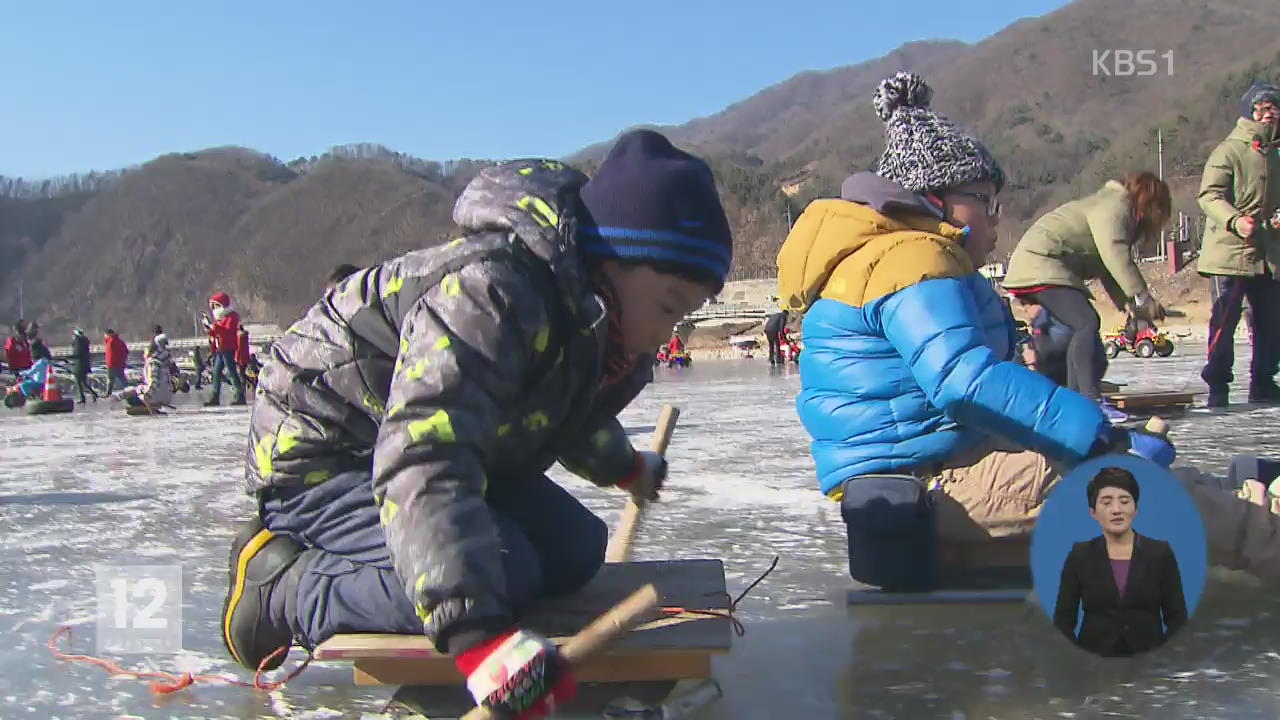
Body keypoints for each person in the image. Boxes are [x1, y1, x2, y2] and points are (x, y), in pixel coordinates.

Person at [220, 130, 730, 717]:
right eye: (668, 306)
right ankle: (282, 589)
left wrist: (625, 465)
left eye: (686, 316)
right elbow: (426, 454)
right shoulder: (492, 292)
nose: (670, 334)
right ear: (609, 266)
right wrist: (482, 643)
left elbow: (563, 413)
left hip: (435, 453)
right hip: (324, 451)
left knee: (575, 550)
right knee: (497, 571)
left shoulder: (594, 324)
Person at [776, 71, 1280, 594]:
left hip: (926, 475)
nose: (995, 220)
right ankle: (1262, 534)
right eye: (986, 201)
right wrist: (1093, 435)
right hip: (933, 482)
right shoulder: (911, 257)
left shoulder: (892, 256)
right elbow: (963, 380)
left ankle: (1235, 499)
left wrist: (1083, 430)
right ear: (935, 199)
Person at [1003, 172, 1172, 423]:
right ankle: (1089, 401)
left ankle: (1071, 401)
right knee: (1085, 322)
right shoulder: (1117, 207)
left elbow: (1108, 269)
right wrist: (1142, 298)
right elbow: (1115, 253)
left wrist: (1131, 308)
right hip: (1043, 263)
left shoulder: (1109, 205)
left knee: (1074, 332)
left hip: (1038, 264)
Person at [1198, 83, 1280, 407]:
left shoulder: (1276, 154)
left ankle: (1263, 382)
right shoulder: (1229, 150)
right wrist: (1234, 220)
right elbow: (1209, 196)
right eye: (1264, 107)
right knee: (1224, 321)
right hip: (1228, 253)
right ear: (1250, 112)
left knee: (1271, 321)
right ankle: (1218, 386)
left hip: (1268, 253)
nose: (1271, 113)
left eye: (1275, 107)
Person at [1053, 467, 1188, 657]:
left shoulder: (1160, 553)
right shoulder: (1080, 554)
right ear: (1093, 512)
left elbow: (1177, 617)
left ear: (1136, 508)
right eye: (1106, 503)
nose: (1116, 510)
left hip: (1148, 663)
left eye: (1124, 502)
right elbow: (1064, 618)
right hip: (1094, 662)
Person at [204, 291, 246, 406]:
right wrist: (209, 328)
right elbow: (216, 332)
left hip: (228, 348)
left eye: (216, 306)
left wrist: (214, 327)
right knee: (216, 373)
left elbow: (228, 331)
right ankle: (215, 396)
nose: (214, 309)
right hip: (220, 349)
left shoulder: (232, 316)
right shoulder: (220, 318)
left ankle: (239, 394)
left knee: (232, 372)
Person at [117, 339, 175, 410]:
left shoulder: (152, 363)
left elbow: (154, 381)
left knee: (129, 391)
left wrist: (147, 395)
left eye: (145, 351)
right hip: (166, 396)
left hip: (156, 396)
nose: (143, 354)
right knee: (136, 389)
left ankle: (117, 400)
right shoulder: (161, 363)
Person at [71, 328, 98, 403]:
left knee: (79, 382)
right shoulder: (85, 341)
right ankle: (92, 394)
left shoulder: (78, 342)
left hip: (79, 364)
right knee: (83, 381)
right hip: (85, 364)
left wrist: (69, 357)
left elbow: (77, 354)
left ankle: (83, 397)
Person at [103, 329, 129, 393]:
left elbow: (109, 353)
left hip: (111, 363)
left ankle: (108, 392)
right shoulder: (120, 341)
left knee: (110, 378)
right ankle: (129, 390)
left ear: (108, 334)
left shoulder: (110, 341)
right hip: (120, 363)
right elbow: (126, 352)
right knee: (122, 378)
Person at [235, 326, 252, 390]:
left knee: (242, 374)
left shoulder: (239, 337)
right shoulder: (245, 336)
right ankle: (248, 383)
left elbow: (238, 348)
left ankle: (246, 384)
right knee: (243, 372)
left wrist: (236, 358)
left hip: (241, 358)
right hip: (246, 357)